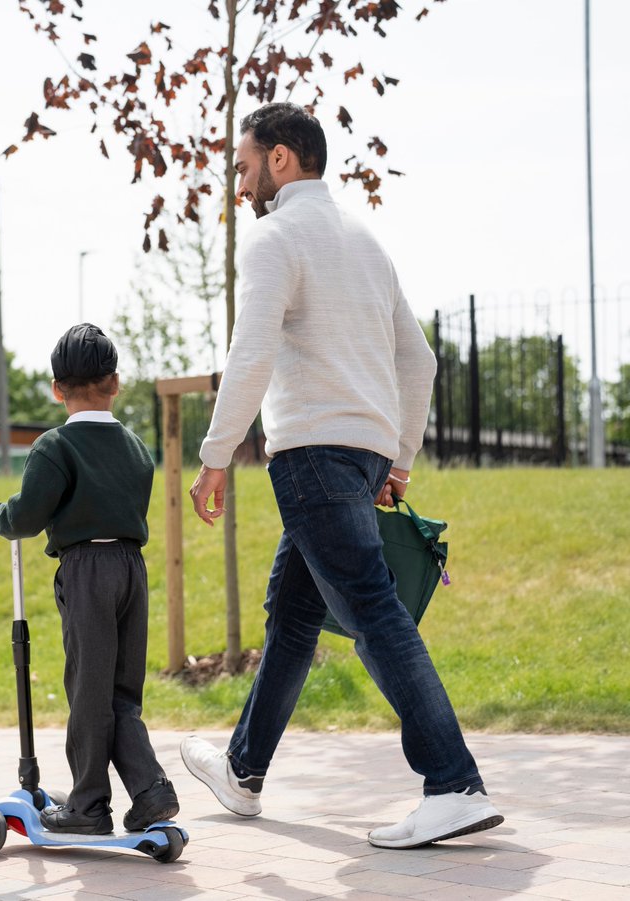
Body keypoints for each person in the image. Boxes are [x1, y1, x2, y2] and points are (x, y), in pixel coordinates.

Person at [183, 102, 503, 850]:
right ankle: (243, 770)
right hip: (360, 458)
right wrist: (397, 460)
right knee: (293, 612)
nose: (240, 182)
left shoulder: (273, 238)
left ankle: (453, 782)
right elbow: (417, 360)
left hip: (311, 456)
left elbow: (251, 352)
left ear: (282, 159)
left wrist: (215, 455)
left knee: (371, 609)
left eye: (244, 165)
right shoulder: (366, 241)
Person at [0, 323, 179, 836]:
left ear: (58, 389)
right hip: (131, 567)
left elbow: (26, 517)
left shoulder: (54, 447)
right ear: (116, 382)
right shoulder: (135, 447)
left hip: (87, 573)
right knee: (121, 693)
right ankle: (150, 791)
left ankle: (86, 808)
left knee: (88, 691)